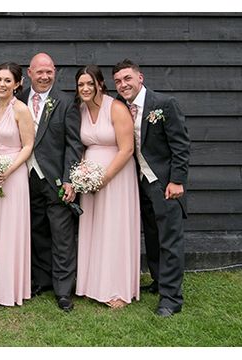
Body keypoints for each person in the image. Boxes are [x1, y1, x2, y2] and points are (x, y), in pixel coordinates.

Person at [112, 59, 190, 317]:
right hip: (140, 184)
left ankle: (171, 299)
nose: (123, 85)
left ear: (140, 78)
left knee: (170, 240)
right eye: (118, 81)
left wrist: (177, 181)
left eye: (127, 79)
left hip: (166, 183)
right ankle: (159, 282)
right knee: (153, 238)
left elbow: (180, 145)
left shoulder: (164, 104)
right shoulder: (120, 106)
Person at [17, 53, 83, 312]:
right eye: (39, 72)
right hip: (25, 177)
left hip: (55, 178)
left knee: (62, 234)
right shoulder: (17, 99)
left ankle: (64, 290)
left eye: (49, 72)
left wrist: (70, 179)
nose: (45, 77)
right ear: (29, 73)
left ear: (54, 72)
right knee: (36, 231)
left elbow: (73, 144)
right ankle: (41, 280)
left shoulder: (66, 102)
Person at [74, 64, 140, 309]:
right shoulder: (80, 109)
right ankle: (92, 285)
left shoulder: (117, 108)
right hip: (89, 179)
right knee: (94, 228)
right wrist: (82, 174)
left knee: (114, 229)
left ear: (100, 84)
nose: (86, 88)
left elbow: (127, 149)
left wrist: (104, 179)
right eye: (81, 84)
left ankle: (118, 289)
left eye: (90, 83)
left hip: (116, 178)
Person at [0, 63, 34, 306]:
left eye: (7, 81)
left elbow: (28, 146)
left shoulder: (21, 110)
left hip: (14, 174)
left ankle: (9, 289)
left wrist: (8, 170)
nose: (2, 84)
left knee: (10, 230)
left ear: (17, 84)